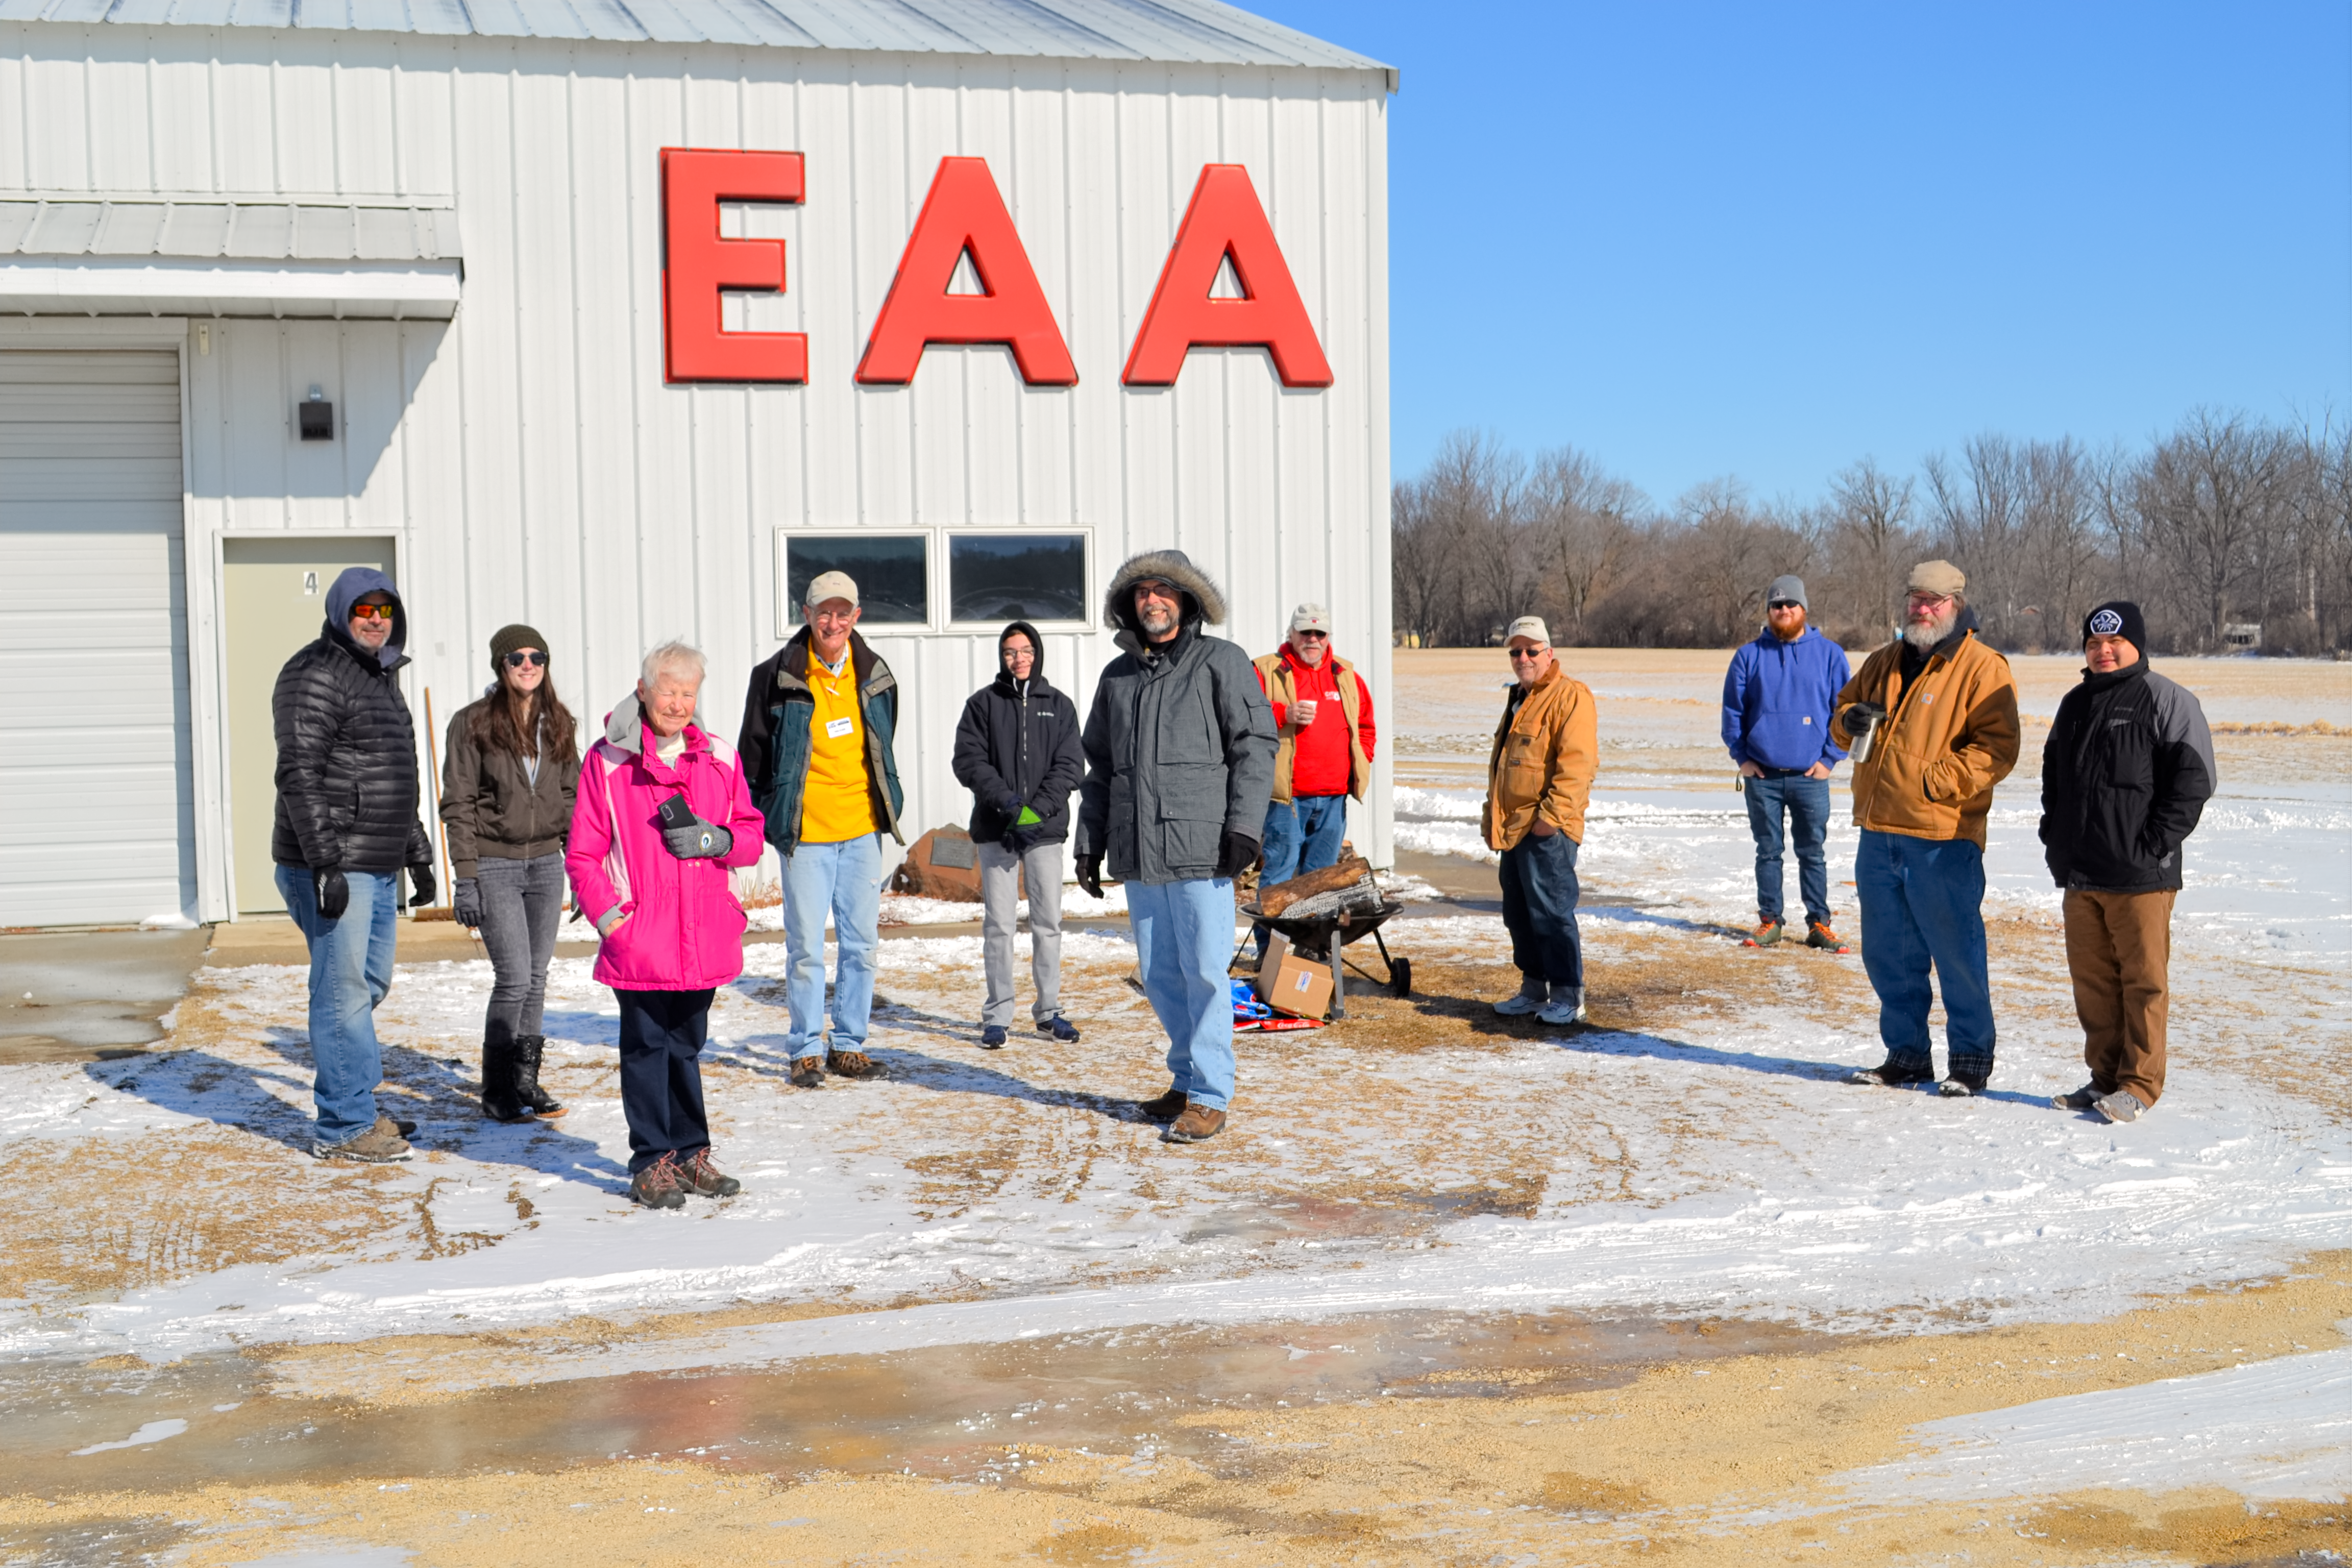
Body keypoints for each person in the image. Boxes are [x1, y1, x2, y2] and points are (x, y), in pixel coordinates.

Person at [1075, 550, 1276, 1145]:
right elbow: (1101, 767)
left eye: (1164, 590)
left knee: (1206, 974)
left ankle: (1212, 1096)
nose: (1152, 601)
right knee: (1162, 976)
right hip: (1139, 851)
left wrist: (1244, 828)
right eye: (1142, 593)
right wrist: (1091, 842)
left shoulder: (1222, 662)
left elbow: (1255, 746)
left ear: (1186, 600)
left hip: (1202, 849)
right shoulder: (1118, 678)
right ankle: (1186, 1081)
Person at [567, 641, 766, 1209]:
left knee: (687, 1045)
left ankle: (690, 1154)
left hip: (702, 934)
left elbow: (751, 835)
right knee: (647, 1048)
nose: (678, 703)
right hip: (642, 937)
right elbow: (583, 853)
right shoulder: (608, 762)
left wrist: (718, 838)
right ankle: (650, 1161)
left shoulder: (719, 758)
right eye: (668, 691)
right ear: (644, 690)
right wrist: (612, 920)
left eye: (688, 692)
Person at [1831, 560, 2021, 1097]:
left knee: (1957, 953)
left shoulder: (1982, 667)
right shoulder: (1884, 661)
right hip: (1878, 831)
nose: (1922, 608)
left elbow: (1997, 750)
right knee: (1889, 955)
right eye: (1916, 597)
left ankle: (1970, 1060)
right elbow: (1844, 710)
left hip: (1942, 836)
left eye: (1934, 600)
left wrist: (1937, 782)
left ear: (1956, 606)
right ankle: (1907, 1055)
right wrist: (1846, 723)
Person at [269, 568, 437, 1162]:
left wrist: (415, 849)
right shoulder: (313, 672)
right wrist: (324, 863)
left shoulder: (381, 678)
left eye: (385, 609)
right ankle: (343, 1125)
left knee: (368, 986)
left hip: (376, 860)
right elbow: (299, 774)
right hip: (331, 862)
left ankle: (355, 1100)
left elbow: (394, 777)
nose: (375, 619)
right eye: (364, 609)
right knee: (341, 994)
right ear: (342, 612)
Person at [2039, 602, 2215, 1125]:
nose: (2103, 651)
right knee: (2093, 985)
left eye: (2114, 643)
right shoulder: (2074, 705)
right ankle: (2104, 1080)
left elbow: (2194, 783)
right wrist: (2055, 839)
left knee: (2143, 983)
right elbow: (2054, 784)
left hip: (2141, 876)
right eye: (2094, 644)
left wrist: (2153, 844)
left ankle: (2139, 1085)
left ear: (2136, 645)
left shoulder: (2166, 699)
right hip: (2082, 874)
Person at [738, 571, 906, 1090]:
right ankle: (807, 1048)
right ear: (806, 615)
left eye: (843, 611)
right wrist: (772, 813)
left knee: (862, 946)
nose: (833, 621)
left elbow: (882, 742)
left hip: (862, 830)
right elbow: (753, 756)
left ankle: (849, 1045)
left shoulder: (875, 673)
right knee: (806, 947)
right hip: (806, 834)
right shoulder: (776, 674)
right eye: (822, 611)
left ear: (857, 616)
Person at [442, 624, 580, 1123]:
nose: (528, 665)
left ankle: (526, 1081)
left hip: (547, 863)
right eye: (517, 657)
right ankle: (497, 1089)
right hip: (496, 862)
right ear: (501, 666)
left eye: (537, 657)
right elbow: (458, 803)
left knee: (538, 978)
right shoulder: (472, 723)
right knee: (515, 978)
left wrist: (580, 866)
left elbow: (572, 797)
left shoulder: (559, 722)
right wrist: (467, 877)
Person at [952, 621, 1086, 1049]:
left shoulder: (1059, 705)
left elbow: (1070, 765)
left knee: (1048, 924)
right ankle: (998, 1015)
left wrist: (1037, 810)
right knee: (1000, 926)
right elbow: (970, 763)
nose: (1019, 658)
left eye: (1026, 650)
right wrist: (1010, 805)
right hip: (997, 830)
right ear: (1001, 656)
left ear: (1037, 653)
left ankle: (1049, 1013)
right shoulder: (982, 705)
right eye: (1011, 651)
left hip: (1045, 832)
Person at [1720, 574, 1853, 950]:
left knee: (1813, 852)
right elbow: (1733, 712)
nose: (1783, 610)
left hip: (1811, 777)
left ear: (1803, 609)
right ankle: (1770, 921)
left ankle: (1819, 924)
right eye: (1776, 605)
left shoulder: (1829, 655)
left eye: (1790, 604)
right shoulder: (1749, 656)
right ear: (1769, 611)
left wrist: (1830, 758)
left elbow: (1844, 713)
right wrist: (1742, 757)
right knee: (1768, 851)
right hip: (1762, 776)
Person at [1481, 616, 1599, 1027]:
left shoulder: (1570, 696)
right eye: (1516, 651)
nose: (1523, 658)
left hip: (1547, 829)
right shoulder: (1519, 697)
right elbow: (1504, 767)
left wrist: (1551, 820)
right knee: (1519, 914)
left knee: (1551, 912)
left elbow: (1578, 767)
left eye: (1532, 650)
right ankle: (1534, 991)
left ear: (1550, 653)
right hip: (1514, 828)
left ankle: (1568, 995)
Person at [1251, 603, 1377, 958]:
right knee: (1280, 877)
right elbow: (1242, 715)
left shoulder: (1346, 675)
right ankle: (1271, 953)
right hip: (1286, 799)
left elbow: (1366, 726)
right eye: (1305, 632)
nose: (1313, 639)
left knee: (1320, 880)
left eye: (1320, 634)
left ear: (1328, 638)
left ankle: (1310, 951)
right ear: (1291, 634)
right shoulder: (1266, 671)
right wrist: (1283, 713)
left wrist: (1360, 760)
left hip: (1334, 797)